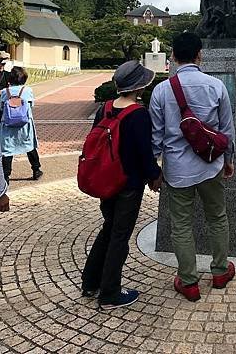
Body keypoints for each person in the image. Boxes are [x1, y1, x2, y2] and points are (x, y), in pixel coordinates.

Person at [150, 32, 235, 301]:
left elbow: (156, 135)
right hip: (211, 165)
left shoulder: (162, 90)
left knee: (181, 226)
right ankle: (220, 271)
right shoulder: (216, 86)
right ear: (200, 55)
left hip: (177, 170)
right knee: (217, 217)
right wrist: (229, 160)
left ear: (173, 56)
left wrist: (155, 168)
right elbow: (226, 130)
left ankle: (188, 281)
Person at [81, 60, 162, 309]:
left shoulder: (105, 108)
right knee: (119, 235)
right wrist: (154, 176)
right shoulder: (138, 114)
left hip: (106, 179)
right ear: (139, 86)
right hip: (128, 183)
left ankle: (90, 281)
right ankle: (110, 293)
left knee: (109, 228)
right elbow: (143, 153)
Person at [0, 66, 43, 183]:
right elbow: (31, 106)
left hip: (8, 126)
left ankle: (6, 176)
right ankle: (36, 170)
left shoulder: (5, 92)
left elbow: (1, 107)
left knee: (7, 150)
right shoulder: (27, 90)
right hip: (25, 125)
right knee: (29, 146)